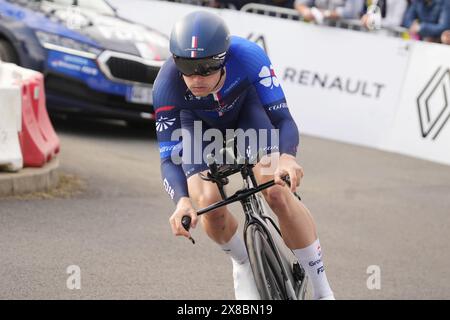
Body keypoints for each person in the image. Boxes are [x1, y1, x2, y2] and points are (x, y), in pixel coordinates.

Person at [152, 11, 335, 300]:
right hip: (197, 125)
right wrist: (181, 202)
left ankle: (323, 291)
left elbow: (283, 120)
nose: (197, 78)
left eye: (208, 67)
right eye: (187, 67)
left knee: (276, 190)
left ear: (223, 59)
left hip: (246, 110)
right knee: (208, 203)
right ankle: (243, 263)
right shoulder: (166, 84)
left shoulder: (248, 56)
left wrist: (286, 157)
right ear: (176, 61)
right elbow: (168, 158)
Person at [294, 0, 364, 24]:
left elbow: (353, 12)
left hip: (344, 37)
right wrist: (306, 11)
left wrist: (327, 14)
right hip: (318, 33)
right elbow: (299, 3)